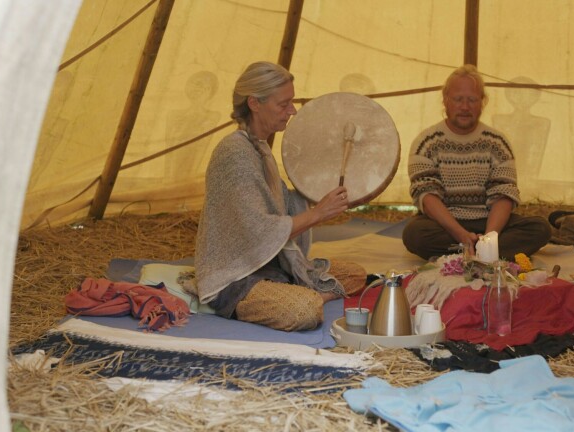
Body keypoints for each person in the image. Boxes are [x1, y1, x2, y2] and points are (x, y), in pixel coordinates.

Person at [194, 61, 366, 331]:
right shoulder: (234, 153)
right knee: (303, 311)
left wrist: (331, 199)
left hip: (272, 266)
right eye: (283, 104)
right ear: (254, 103)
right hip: (238, 277)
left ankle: (309, 293)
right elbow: (259, 230)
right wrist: (317, 213)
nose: (292, 110)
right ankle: (311, 298)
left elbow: (285, 206)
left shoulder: (259, 149)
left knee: (356, 274)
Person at [402, 65, 552, 261]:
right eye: (458, 99)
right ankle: (483, 254)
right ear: (445, 100)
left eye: (472, 100)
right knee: (415, 234)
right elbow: (427, 197)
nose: (465, 107)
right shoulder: (426, 142)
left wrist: (489, 238)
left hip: (488, 222)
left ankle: (463, 255)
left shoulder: (497, 142)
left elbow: (504, 194)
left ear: (482, 102)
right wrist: (461, 235)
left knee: (540, 229)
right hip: (445, 224)